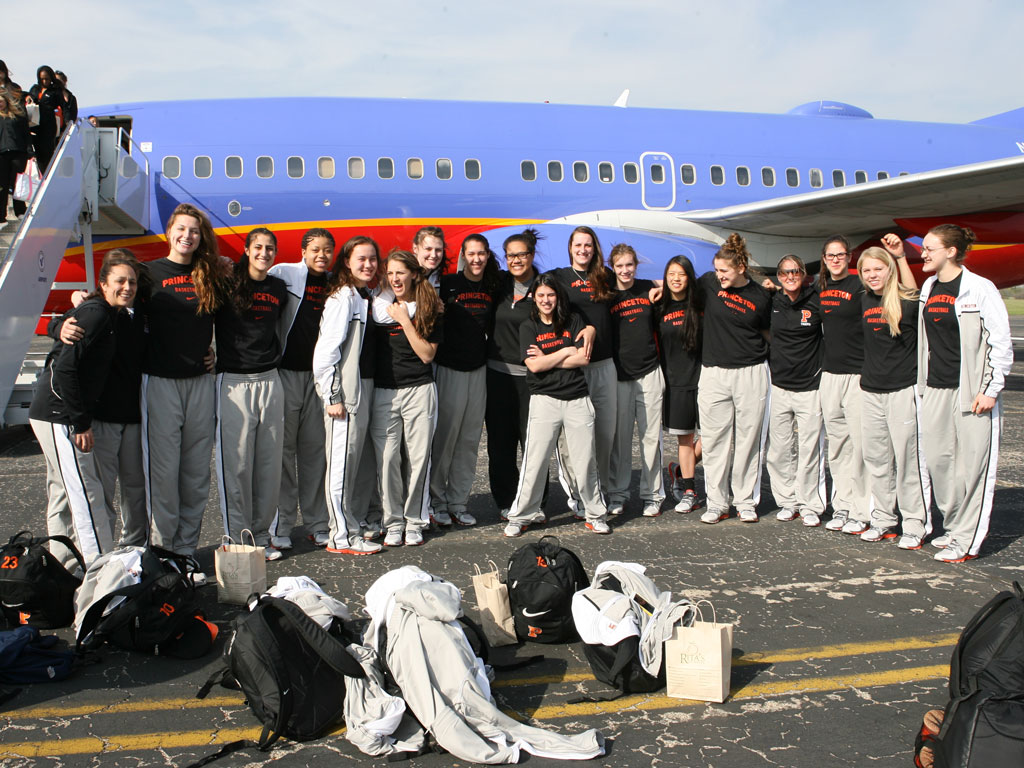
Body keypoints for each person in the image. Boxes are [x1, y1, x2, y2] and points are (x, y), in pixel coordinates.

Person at [29, 254, 139, 569]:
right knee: (84, 490)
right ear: (103, 284)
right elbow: (64, 369)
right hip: (58, 413)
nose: (127, 287)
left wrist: (58, 322)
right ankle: (98, 567)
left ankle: (63, 564)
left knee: (61, 489)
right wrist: (80, 423)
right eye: (120, 281)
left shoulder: (104, 313)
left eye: (131, 282)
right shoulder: (98, 314)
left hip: (51, 412)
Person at [915, 224, 1013, 562]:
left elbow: (1000, 342)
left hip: (972, 392)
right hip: (936, 388)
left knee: (973, 466)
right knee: (941, 463)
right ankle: (954, 527)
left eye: (929, 248)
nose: (923, 253)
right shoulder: (929, 286)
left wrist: (990, 389)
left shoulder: (979, 288)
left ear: (951, 251)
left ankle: (967, 541)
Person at [142, 203, 226, 560]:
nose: (187, 236)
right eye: (182, 229)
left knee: (195, 474)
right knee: (164, 475)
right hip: (161, 383)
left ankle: (187, 549)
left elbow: (231, 324)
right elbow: (116, 308)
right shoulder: (148, 274)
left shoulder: (209, 274)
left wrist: (217, 355)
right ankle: (164, 551)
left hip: (199, 384)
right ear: (169, 231)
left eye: (194, 231)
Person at [504, 273, 610, 537]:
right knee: (535, 462)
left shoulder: (573, 320)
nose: (546, 300)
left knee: (585, 461)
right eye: (540, 295)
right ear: (534, 298)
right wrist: (565, 351)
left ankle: (595, 513)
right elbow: (534, 365)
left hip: (577, 399)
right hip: (544, 400)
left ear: (558, 296)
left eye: (550, 295)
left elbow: (583, 359)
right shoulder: (528, 327)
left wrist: (550, 356)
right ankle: (521, 515)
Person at [214, 228, 288, 561]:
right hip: (234, 382)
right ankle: (239, 538)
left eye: (270, 248)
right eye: (258, 247)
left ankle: (261, 534)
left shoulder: (277, 288)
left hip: (270, 379)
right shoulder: (228, 283)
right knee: (237, 465)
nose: (264, 253)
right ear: (246, 250)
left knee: (269, 466)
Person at [312, 235, 384, 555]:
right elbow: (325, 355)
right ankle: (340, 536)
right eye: (361, 259)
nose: (368, 265)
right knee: (341, 465)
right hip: (345, 395)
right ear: (347, 262)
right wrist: (332, 396)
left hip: (365, 388)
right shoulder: (342, 298)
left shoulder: (364, 296)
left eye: (372, 259)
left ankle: (352, 526)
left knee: (356, 464)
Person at [856, 242, 930, 549]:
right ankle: (884, 520)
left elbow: (915, 294)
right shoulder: (863, 300)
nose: (872, 275)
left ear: (889, 270)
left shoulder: (906, 301)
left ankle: (915, 525)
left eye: (878, 269)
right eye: (866, 270)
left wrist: (900, 256)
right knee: (877, 460)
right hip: (870, 390)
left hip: (902, 389)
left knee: (908, 460)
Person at [696, 233, 772, 524]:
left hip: (750, 372)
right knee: (714, 441)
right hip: (714, 371)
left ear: (741, 268)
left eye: (724, 271)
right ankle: (716, 502)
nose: (719, 276)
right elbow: (680, 288)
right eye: (717, 270)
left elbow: (768, 334)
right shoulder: (708, 283)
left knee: (748, 440)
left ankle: (745, 501)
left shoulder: (761, 296)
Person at [267, 228, 335, 550]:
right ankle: (279, 524)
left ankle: (318, 523)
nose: (322, 256)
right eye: (316, 249)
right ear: (304, 251)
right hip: (286, 375)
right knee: (283, 453)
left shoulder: (337, 285)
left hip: (318, 379)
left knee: (314, 454)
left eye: (327, 250)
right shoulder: (284, 274)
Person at [371, 250, 443, 547]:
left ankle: (415, 521)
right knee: (387, 460)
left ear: (414, 273)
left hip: (419, 390)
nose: (395, 279)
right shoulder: (379, 307)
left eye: (400, 272)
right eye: (390, 274)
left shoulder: (430, 308)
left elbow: (427, 354)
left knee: (417, 460)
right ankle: (393, 522)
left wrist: (405, 321)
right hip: (384, 393)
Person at [429, 234, 498, 527]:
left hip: (478, 370)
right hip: (450, 369)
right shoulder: (447, 284)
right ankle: (436, 501)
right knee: (445, 439)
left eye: (481, 253)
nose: (477, 259)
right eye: (471, 253)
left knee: (469, 441)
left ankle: (459, 501)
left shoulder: (494, 284)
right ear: (462, 255)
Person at [548, 226, 614, 514]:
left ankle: (601, 491)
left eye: (588, 245)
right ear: (570, 247)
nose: (583, 250)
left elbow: (633, 284)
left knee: (604, 432)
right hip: (573, 366)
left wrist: (656, 286)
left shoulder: (605, 276)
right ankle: (576, 493)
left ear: (594, 248)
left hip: (603, 364)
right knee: (571, 437)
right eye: (578, 245)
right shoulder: (560, 277)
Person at [485, 229, 545, 518]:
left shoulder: (546, 287)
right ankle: (506, 500)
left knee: (533, 443)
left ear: (532, 255)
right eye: (511, 255)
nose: (517, 260)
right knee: (500, 444)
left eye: (522, 254)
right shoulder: (498, 284)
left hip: (532, 378)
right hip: (497, 377)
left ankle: (535, 503)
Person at [816, 236, 872, 533]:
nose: (836, 260)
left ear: (849, 257)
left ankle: (863, 510)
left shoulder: (860, 287)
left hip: (857, 374)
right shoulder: (820, 288)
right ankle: (843, 506)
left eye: (840, 255)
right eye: (830, 255)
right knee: (837, 445)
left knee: (861, 445)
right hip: (830, 374)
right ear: (824, 259)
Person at [766, 255, 826, 527]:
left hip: (809, 386)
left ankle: (810, 504)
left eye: (795, 272)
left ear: (803, 274)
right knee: (779, 450)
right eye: (785, 272)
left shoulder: (817, 299)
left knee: (809, 450)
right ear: (778, 276)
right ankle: (787, 501)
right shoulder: (773, 301)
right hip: (779, 385)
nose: (790, 277)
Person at [606, 243, 665, 517]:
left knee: (651, 438)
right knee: (620, 440)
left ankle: (653, 494)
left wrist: (662, 287)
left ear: (636, 265)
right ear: (612, 267)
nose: (625, 270)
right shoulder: (607, 296)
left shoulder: (646, 288)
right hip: (619, 376)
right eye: (619, 266)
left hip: (650, 371)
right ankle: (618, 493)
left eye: (629, 265)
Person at [656, 255, 704, 514]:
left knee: (717, 435)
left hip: (706, 379)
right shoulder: (658, 308)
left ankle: (679, 469)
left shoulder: (700, 304)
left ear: (689, 277)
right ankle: (689, 490)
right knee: (685, 440)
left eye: (681, 274)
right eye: (671, 273)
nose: (676, 278)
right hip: (676, 382)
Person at [0, 88, 30, 222]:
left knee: (17, 184)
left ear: (6, 101)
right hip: (1, 154)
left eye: (1, 101)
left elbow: (26, 133)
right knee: (2, 185)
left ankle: (20, 211)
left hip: (18, 152)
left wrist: (29, 149)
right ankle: (1, 215)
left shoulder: (17, 116)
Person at [27, 66, 63, 173]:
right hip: (35, 125)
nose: (44, 81)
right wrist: (28, 97)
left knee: (47, 154)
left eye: (47, 79)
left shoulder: (55, 91)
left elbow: (63, 106)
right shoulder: (35, 88)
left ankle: (47, 175)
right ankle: (41, 174)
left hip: (48, 126)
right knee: (38, 154)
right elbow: (29, 96)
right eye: (42, 79)